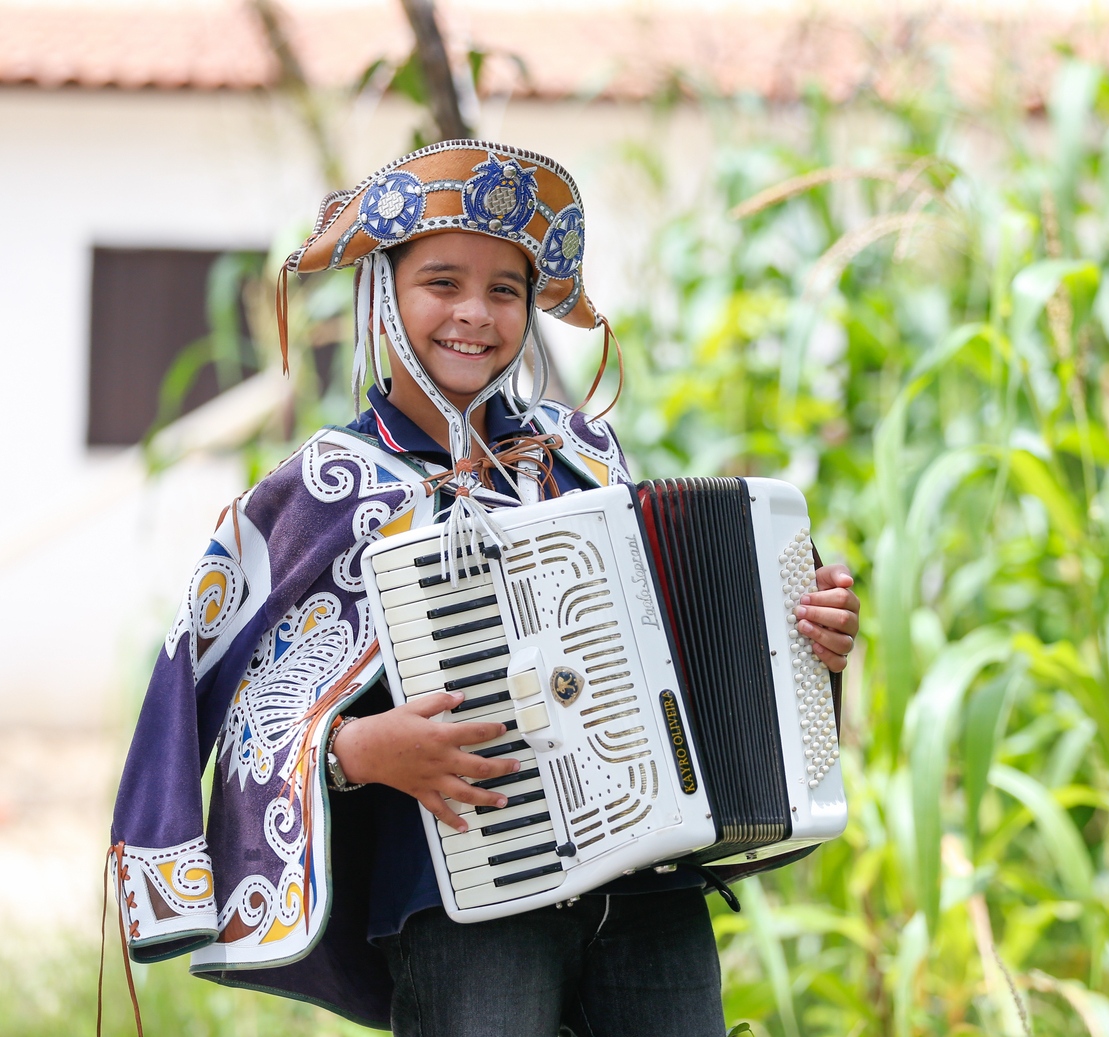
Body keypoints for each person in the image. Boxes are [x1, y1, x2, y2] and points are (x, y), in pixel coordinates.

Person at [108, 141, 860, 1036]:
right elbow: (233, 702)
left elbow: (680, 643)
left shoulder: (584, 456)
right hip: (461, 901)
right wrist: (355, 749)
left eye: (505, 289)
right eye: (442, 282)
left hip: (651, 889)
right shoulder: (324, 486)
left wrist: (801, 631)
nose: (475, 313)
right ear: (382, 293)